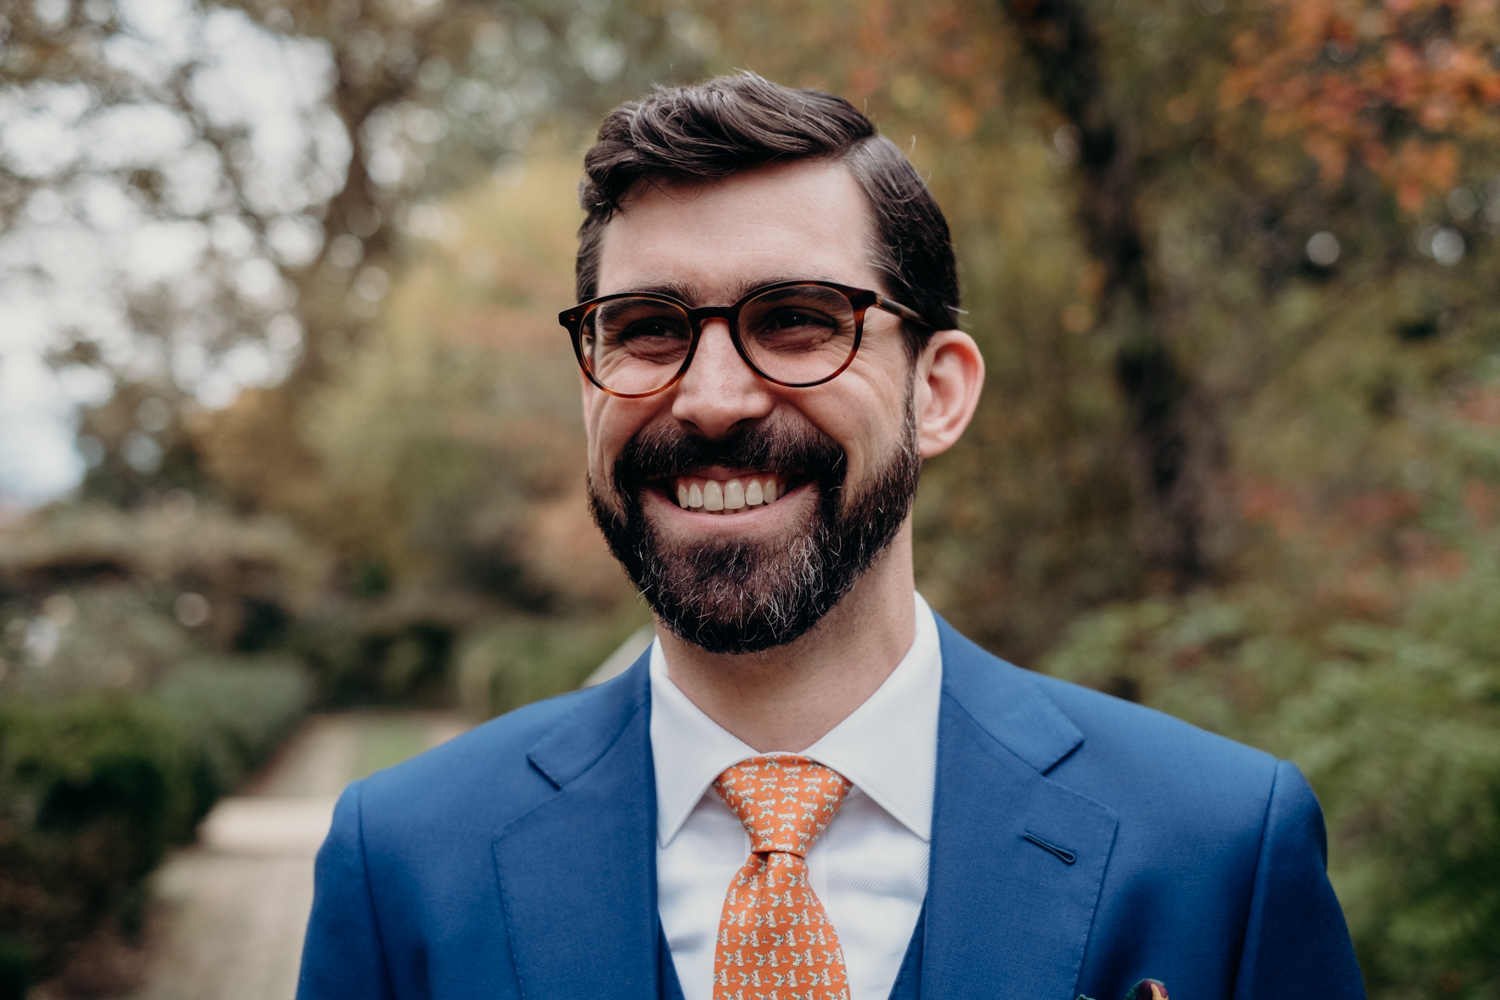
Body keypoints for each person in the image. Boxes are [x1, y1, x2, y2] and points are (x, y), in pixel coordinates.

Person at [297, 73, 1364, 1000]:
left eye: (799, 319)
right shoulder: (403, 864)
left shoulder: (1218, 849)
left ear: (937, 392)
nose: (711, 399)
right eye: (647, 330)